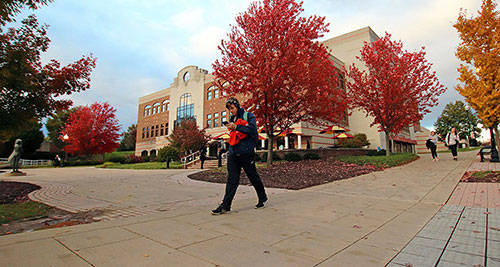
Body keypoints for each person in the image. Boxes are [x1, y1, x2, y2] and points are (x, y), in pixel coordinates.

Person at [212, 97, 268, 215]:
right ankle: (226, 206)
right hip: (233, 153)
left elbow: (253, 130)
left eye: (232, 108)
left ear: (237, 106)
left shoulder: (249, 116)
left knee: (253, 177)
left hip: (246, 153)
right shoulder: (232, 118)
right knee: (232, 179)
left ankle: (262, 197)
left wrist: (237, 127)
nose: (231, 111)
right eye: (229, 109)